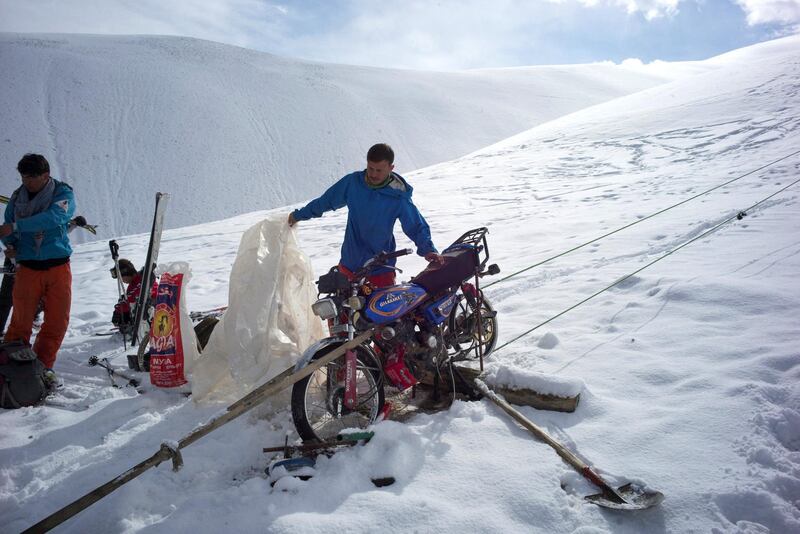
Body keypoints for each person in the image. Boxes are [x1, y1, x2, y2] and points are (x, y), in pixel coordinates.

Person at [288, 143, 442, 288]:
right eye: (370, 168)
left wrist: (428, 249)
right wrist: (298, 216)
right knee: (341, 314)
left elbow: (415, 225)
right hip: (349, 265)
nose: (373, 174)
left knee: (381, 315)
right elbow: (325, 202)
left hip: (380, 270)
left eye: (379, 170)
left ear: (391, 168)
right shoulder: (353, 183)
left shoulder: (398, 197)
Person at [0, 154, 75, 388]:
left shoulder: (63, 193)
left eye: (31, 177)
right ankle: (12, 369)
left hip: (58, 267)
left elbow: (54, 218)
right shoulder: (17, 197)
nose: (26, 182)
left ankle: (42, 368)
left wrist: (18, 226)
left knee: (56, 322)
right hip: (28, 268)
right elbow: (7, 225)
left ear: (46, 175)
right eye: (23, 177)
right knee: (20, 322)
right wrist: (10, 245)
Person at [0, 215, 93, 338]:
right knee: (8, 299)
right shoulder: (22, 213)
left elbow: (58, 231)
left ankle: (32, 317)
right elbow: (8, 237)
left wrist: (74, 224)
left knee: (42, 295)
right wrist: (13, 261)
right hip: (22, 259)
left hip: (38, 262)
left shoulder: (48, 214)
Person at [110, 258, 156, 334]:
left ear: (127, 273)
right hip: (148, 310)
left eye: (121, 278)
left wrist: (117, 311)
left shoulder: (141, 281)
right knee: (123, 300)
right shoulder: (137, 280)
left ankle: (132, 329)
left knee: (123, 307)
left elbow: (130, 301)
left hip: (151, 313)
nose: (122, 281)